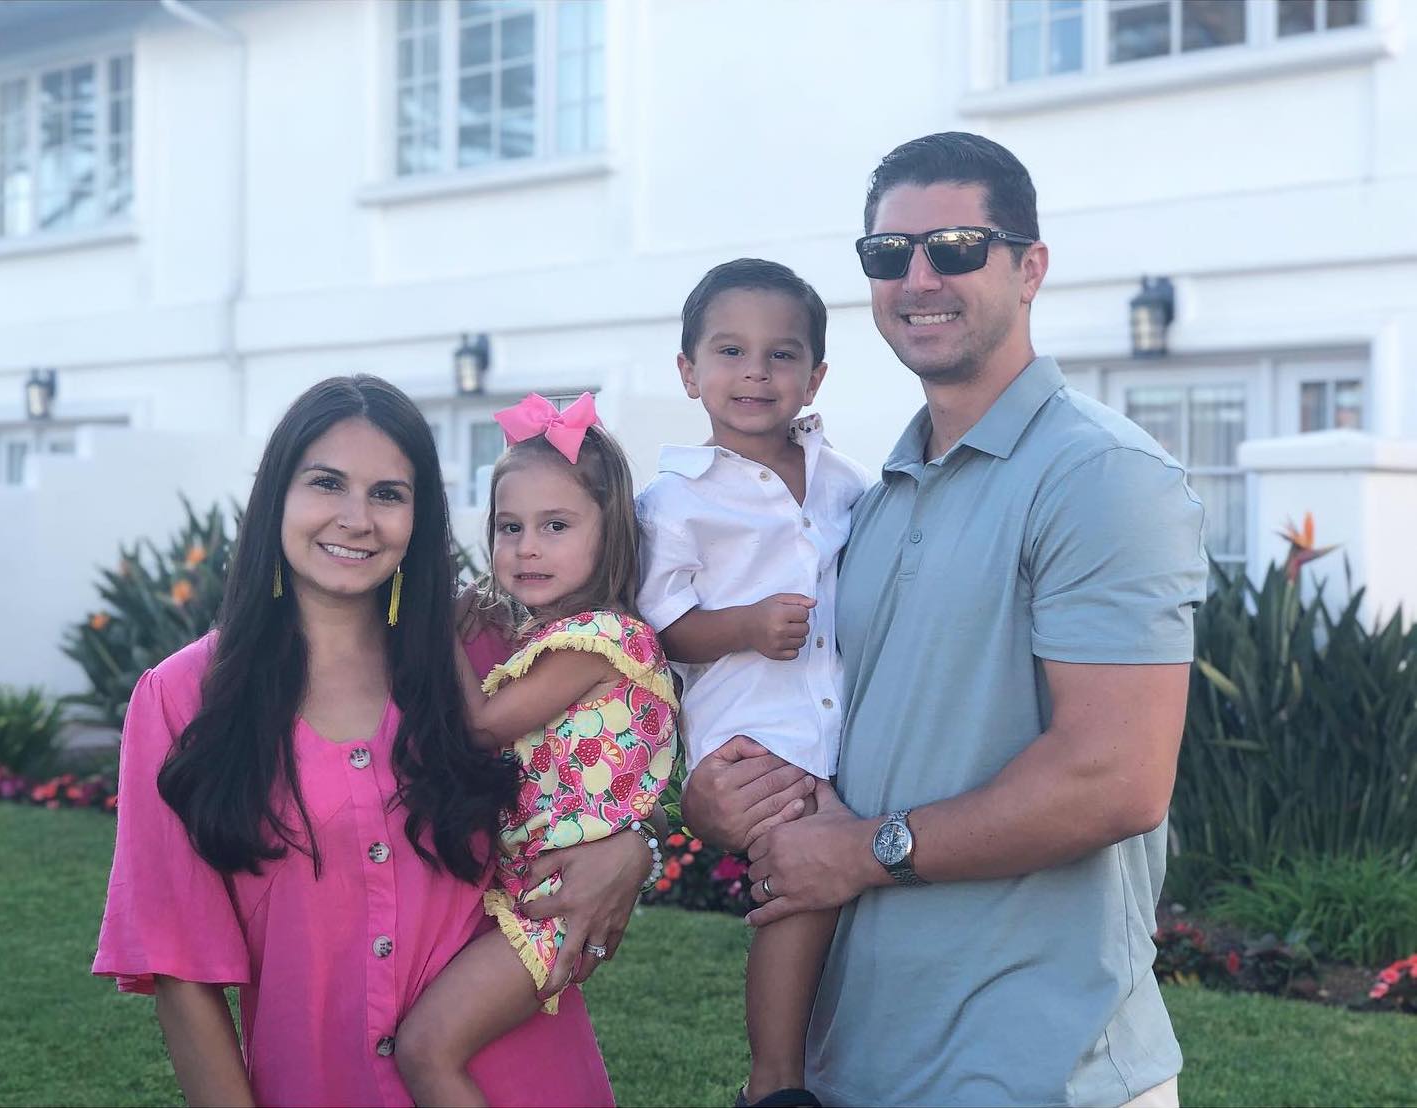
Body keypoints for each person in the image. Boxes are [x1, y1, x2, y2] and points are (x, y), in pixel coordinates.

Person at [683, 132, 1209, 1107]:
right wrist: (719, 799)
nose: (919, 277)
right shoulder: (871, 498)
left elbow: (1114, 779)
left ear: (1030, 268)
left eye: (957, 246)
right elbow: (830, 726)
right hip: (855, 1061)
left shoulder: (1102, 477)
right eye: (889, 253)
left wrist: (860, 850)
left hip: (1042, 1069)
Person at [93, 375, 647, 1107]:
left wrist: (635, 846)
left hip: (526, 1079)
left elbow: (621, 752)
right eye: (327, 483)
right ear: (276, 495)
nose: (356, 519)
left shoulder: (492, 661)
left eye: (388, 494)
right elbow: (180, 968)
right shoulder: (183, 697)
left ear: (420, 518)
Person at [393, 392, 679, 1106]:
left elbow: (483, 726)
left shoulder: (600, 641)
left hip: (553, 909)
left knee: (426, 1050)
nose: (526, 547)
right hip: (533, 891)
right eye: (509, 526)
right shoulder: (550, 637)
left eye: (556, 525)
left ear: (610, 532)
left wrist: (434, 624)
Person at [634, 259, 868, 1108]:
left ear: (816, 376)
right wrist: (744, 627)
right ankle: (774, 1083)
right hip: (754, 733)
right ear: (689, 370)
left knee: (846, 890)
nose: (756, 373)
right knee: (799, 888)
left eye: (781, 354)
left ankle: (827, 1062)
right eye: (730, 351)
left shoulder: (845, 480)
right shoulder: (675, 502)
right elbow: (660, 629)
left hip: (842, 723)